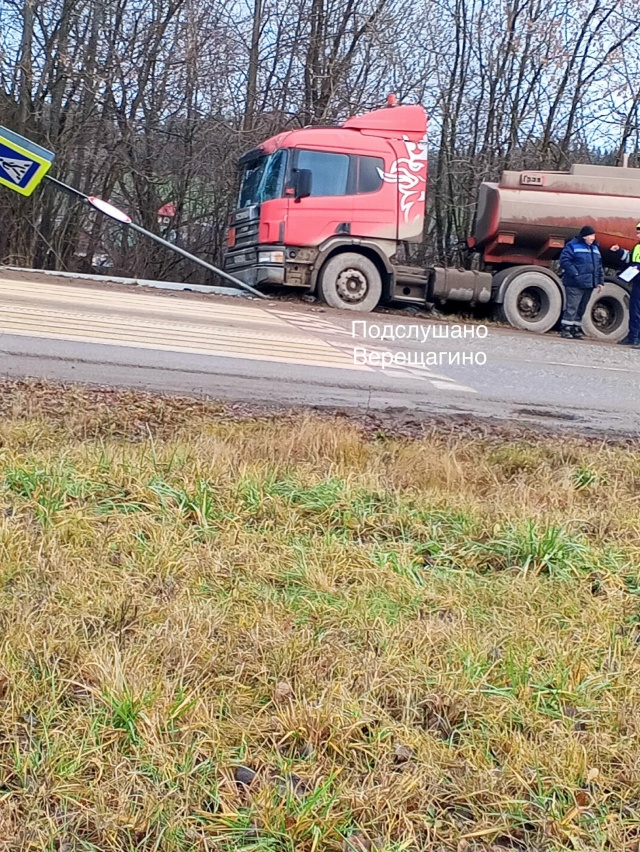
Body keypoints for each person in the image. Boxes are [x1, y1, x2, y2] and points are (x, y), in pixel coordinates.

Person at [558, 225, 604, 339]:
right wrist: (575, 274)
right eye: (591, 235)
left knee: (582, 307)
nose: (593, 238)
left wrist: (600, 282)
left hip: (589, 284)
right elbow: (564, 260)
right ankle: (566, 328)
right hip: (574, 283)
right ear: (584, 236)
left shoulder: (595, 248)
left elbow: (599, 266)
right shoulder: (572, 246)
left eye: (594, 235)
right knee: (572, 306)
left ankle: (576, 328)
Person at [611, 223, 640, 348]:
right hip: (637, 282)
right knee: (634, 310)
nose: (637, 234)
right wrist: (619, 251)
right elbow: (630, 259)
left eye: (639, 232)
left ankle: (636, 338)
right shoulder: (637, 247)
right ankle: (632, 336)